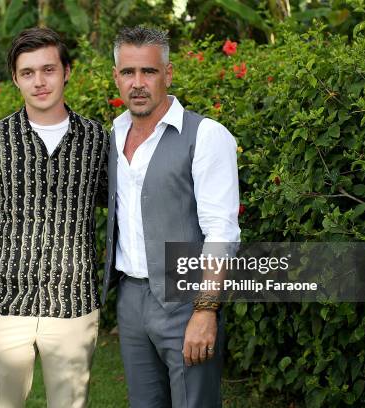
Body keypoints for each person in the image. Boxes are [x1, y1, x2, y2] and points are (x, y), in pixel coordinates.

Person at [0, 27, 108, 408]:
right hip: (6, 307)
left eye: (48, 70)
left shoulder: (96, 139)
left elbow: (122, 208)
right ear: (15, 78)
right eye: (27, 73)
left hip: (74, 307)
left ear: (66, 71)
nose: (39, 82)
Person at [102, 26, 241, 407]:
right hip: (130, 300)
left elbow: (222, 231)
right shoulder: (112, 137)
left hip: (185, 301)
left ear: (169, 73)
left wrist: (205, 310)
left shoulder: (206, 135)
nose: (138, 83)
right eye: (128, 72)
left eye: (148, 71)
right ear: (116, 77)